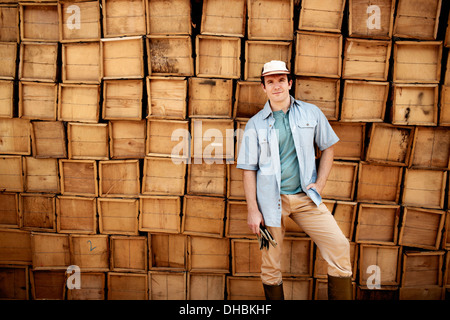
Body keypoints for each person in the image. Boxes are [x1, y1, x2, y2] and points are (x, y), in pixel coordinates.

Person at [236, 60, 353, 300]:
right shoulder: (254, 124)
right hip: (270, 203)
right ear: (264, 88)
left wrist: (319, 185)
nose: (276, 86)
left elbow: (328, 147)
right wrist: (252, 210)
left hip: (305, 198)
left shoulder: (312, 113)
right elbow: (248, 170)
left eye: (281, 80)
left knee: (339, 245)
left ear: (290, 83)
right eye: (270, 82)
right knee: (271, 264)